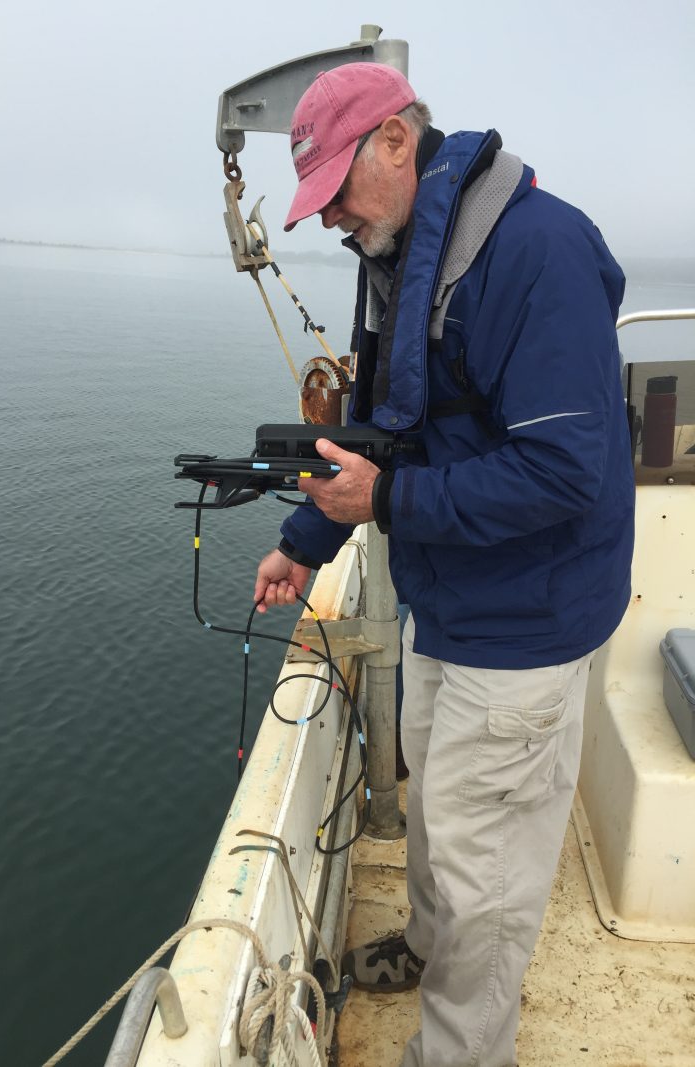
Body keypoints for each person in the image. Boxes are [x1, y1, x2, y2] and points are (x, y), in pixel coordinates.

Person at [253, 62, 635, 1067]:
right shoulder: (395, 252)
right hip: (449, 600)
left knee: (485, 886)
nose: (329, 216)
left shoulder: (536, 254)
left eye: (334, 186)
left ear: (393, 139)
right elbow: (390, 428)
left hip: (525, 625)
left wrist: (380, 501)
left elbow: (558, 472)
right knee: (442, 824)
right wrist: (305, 541)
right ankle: (421, 946)